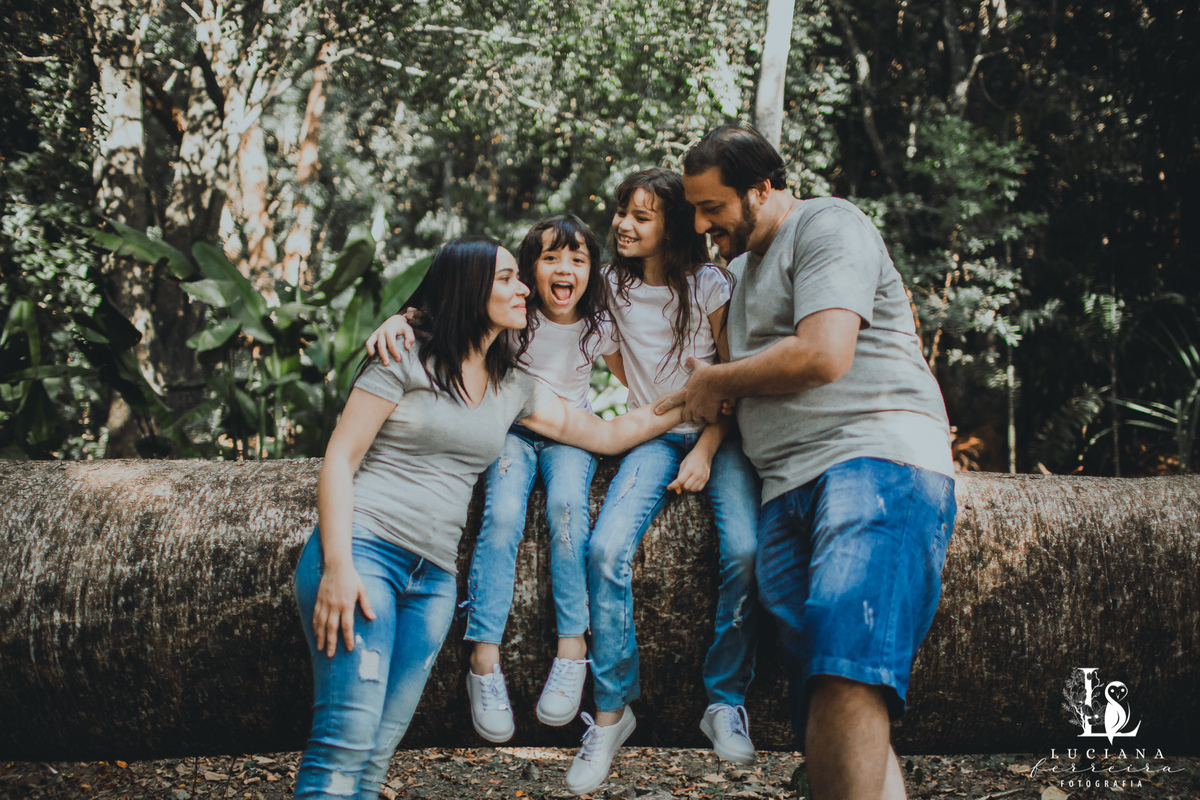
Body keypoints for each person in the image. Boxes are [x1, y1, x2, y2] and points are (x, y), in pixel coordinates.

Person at [293, 236, 684, 800]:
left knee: (375, 756)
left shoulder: (512, 386)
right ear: (469, 289)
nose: (523, 286)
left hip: (433, 581)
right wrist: (337, 565)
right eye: (506, 278)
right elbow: (339, 458)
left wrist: (689, 398)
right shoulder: (403, 355)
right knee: (342, 747)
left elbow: (605, 433)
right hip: (365, 554)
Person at [669, 124, 957, 800]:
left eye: (713, 207)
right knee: (826, 681)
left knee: (845, 663)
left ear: (762, 188)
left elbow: (825, 353)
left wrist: (719, 382)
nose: (702, 223)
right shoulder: (734, 273)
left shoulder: (829, 225)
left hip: (874, 460)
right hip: (784, 489)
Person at [365, 215, 619, 743]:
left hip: (571, 436)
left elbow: (635, 368)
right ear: (528, 272)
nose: (564, 268)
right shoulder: (515, 314)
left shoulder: (599, 323)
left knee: (569, 510)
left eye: (577, 259)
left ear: (594, 270)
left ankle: (573, 649)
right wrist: (402, 317)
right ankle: (484, 661)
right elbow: (449, 304)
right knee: (502, 515)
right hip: (510, 432)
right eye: (550, 258)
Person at [564, 168, 763, 796]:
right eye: (623, 211)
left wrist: (704, 450)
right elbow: (619, 362)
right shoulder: (609, 286)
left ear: (671, 225)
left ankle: (723, 701)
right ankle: (612, 712)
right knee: (603, 549)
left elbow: (730, 375)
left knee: (745, 550)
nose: (624, 223)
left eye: (641, 216)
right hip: (652, 435)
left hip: (721, 435)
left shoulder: (709, 284)